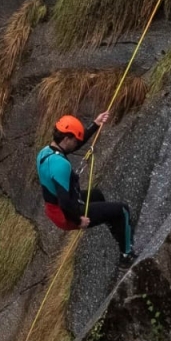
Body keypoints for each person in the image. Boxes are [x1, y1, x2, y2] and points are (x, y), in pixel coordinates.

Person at [36, 112, 134, 264]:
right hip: (66, 214)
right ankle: (126, 255)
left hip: (55, 208)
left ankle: (112, 223)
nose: (77, 144)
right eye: (75, 141)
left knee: (96, 194)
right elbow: (65, 203)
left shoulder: (46, 152)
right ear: (66, 138)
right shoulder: (61, 165)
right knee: (123, 210)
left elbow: (75, 145)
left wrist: (96, 124)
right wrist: (78, 221)